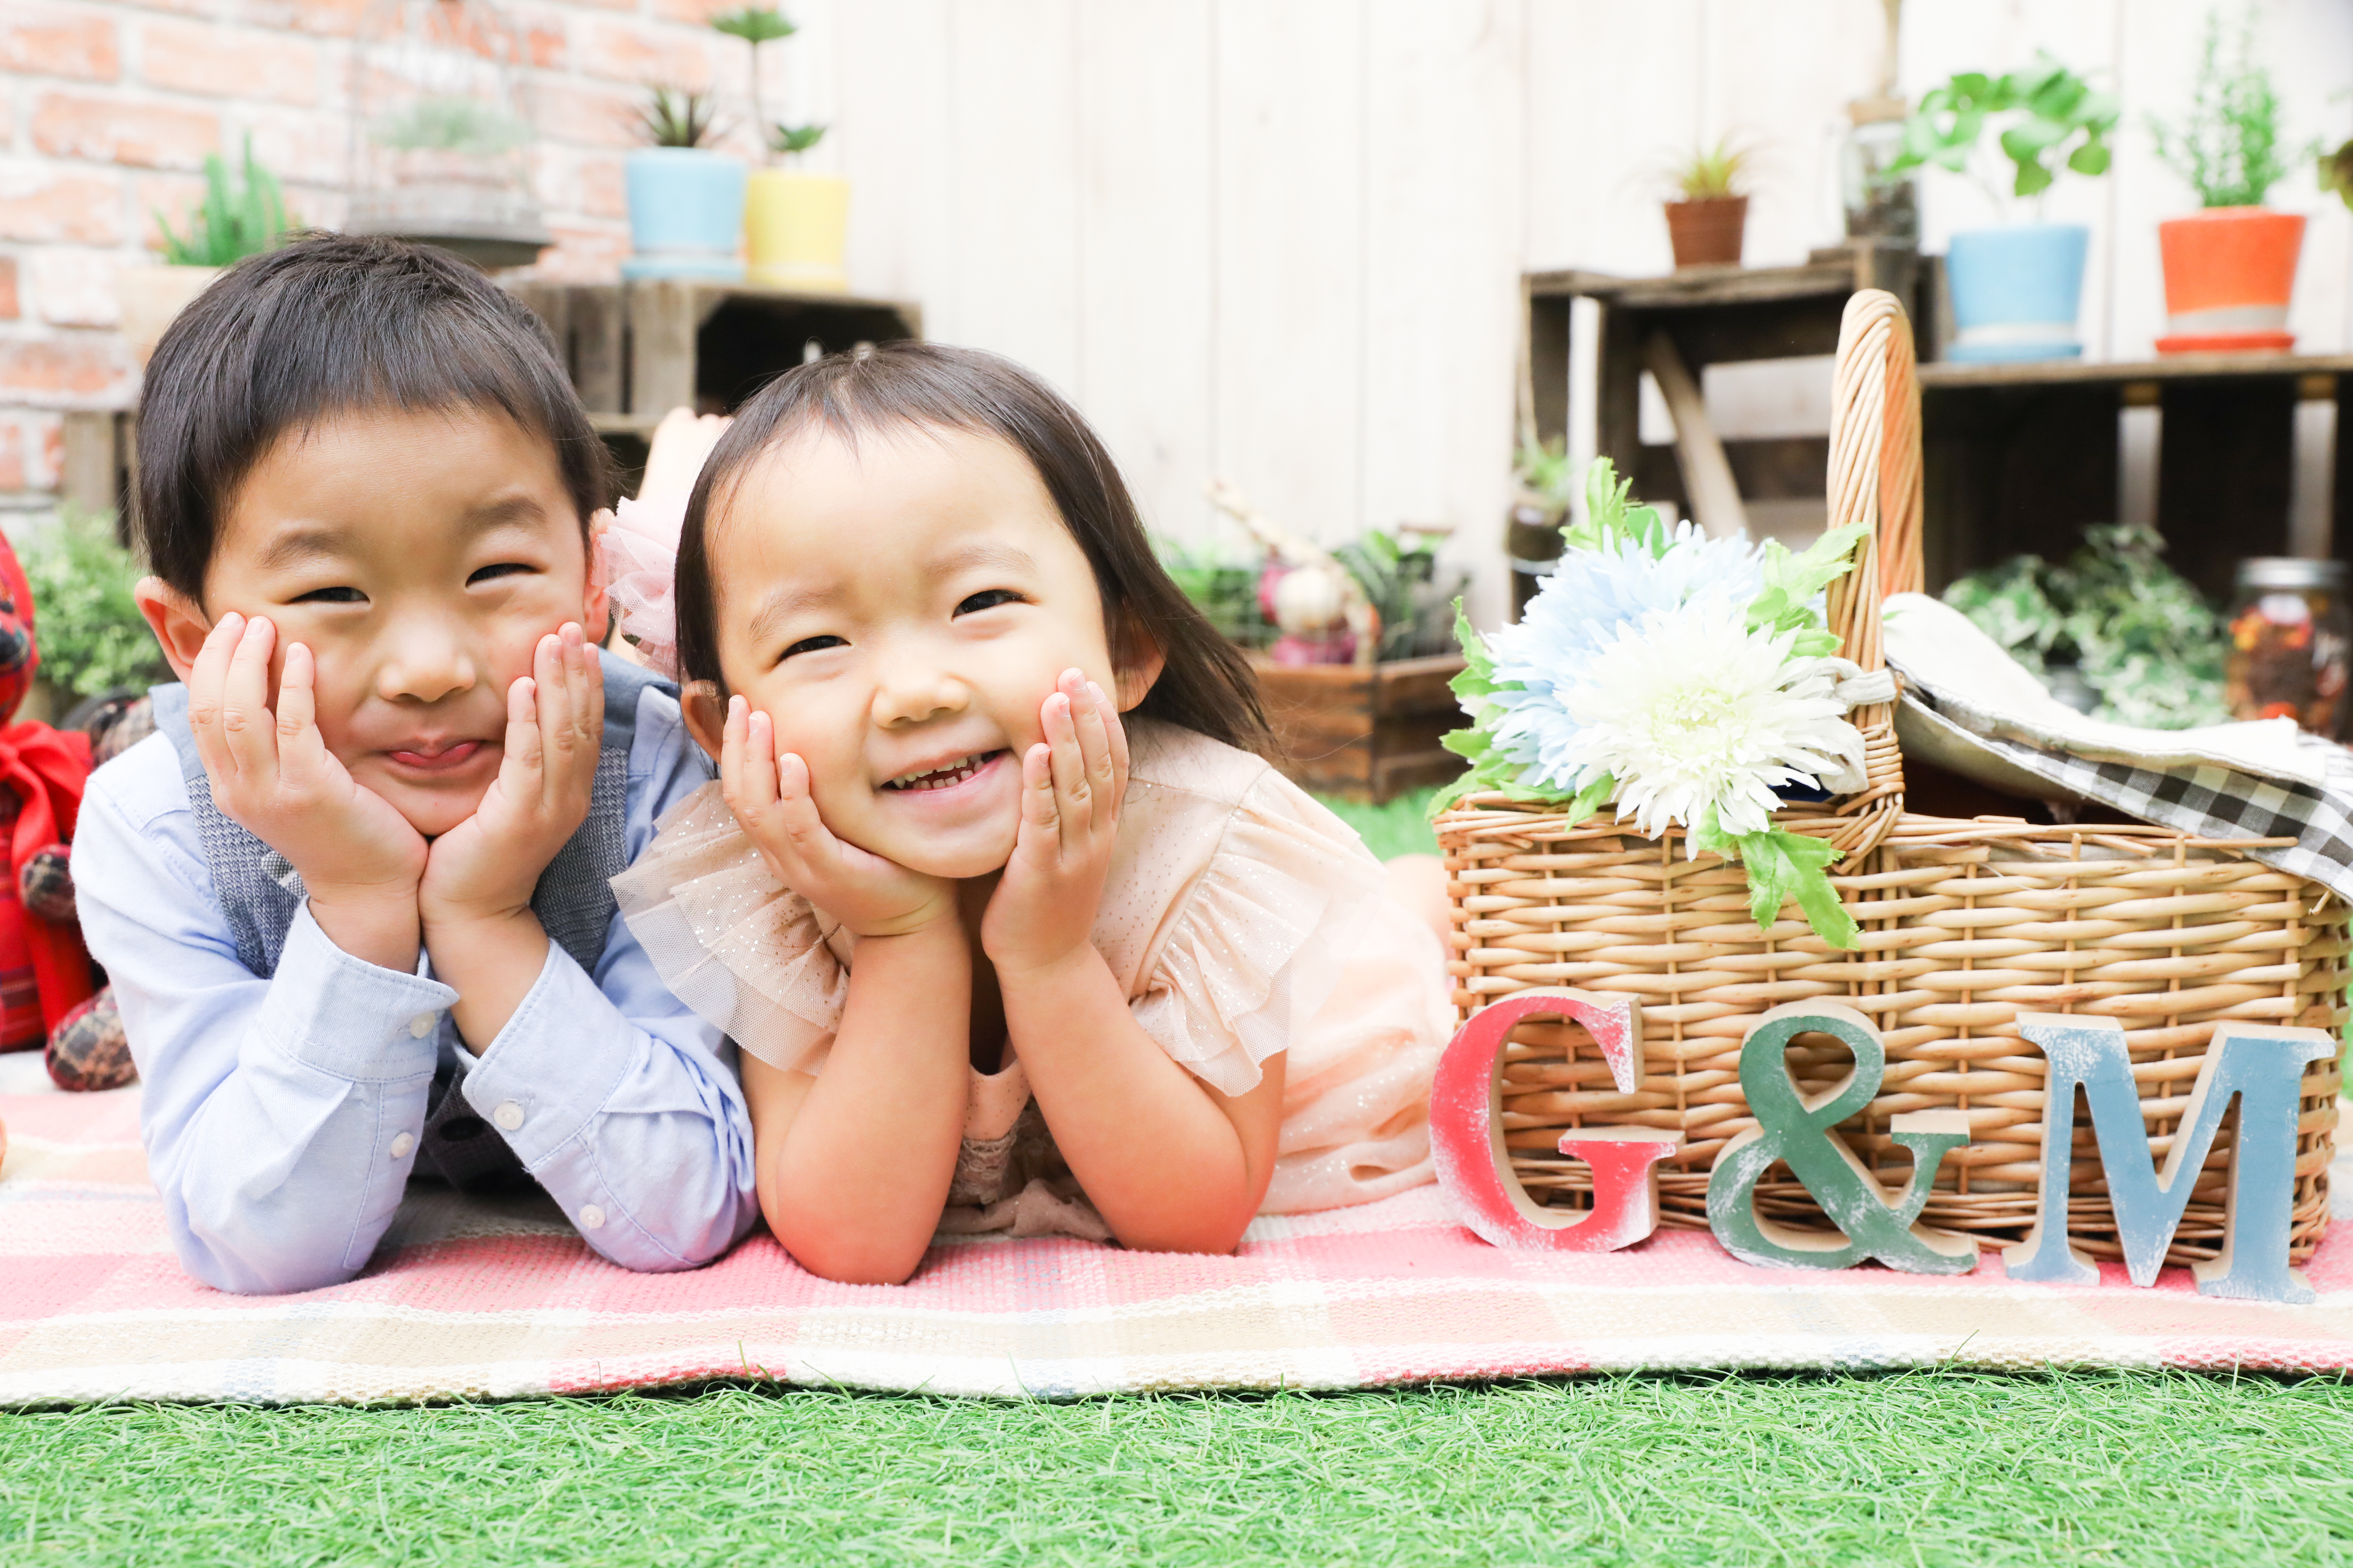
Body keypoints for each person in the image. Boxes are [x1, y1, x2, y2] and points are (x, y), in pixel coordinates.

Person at [612, 342, 1450, 1286]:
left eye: (982, 601)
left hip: (1283, 1036)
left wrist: (1051, 960)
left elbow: (1198, 1217)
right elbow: (855, 1240)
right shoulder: (776, 870)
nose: (914, 692)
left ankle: (1424, 897)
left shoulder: (1209, 847)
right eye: (816, 640)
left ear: (1128, 645)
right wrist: (902, 934)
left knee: (1401, 945)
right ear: (723, 728)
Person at [74, 236, 759, 1295]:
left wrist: (487, 924)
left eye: (496, 571)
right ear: (192, 637)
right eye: (335, 594)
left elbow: (686, 1200)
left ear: (591, 583)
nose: (431, 670)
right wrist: (358, 901)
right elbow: (256, 1240)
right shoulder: (153, 821)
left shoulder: (659, 776)